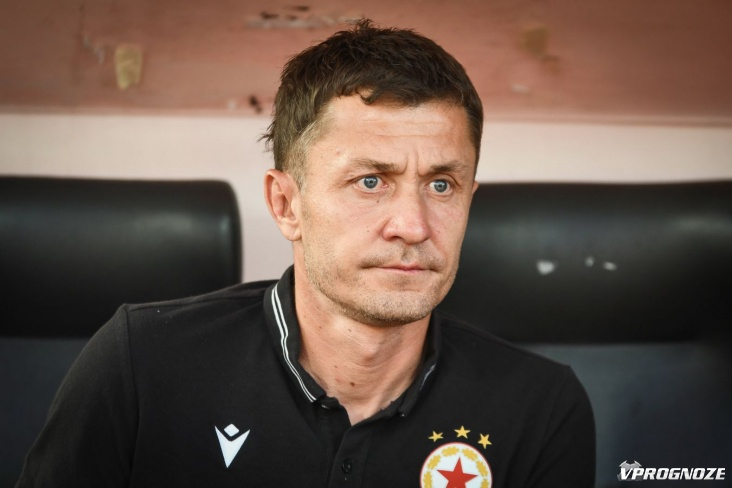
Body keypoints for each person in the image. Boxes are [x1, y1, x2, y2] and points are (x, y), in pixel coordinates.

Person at [17, 20, 595, 487]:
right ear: (286, 204)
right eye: (370, 181)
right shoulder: (141, 363)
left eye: (442, 185)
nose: (413, 225)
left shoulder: (542, 407)